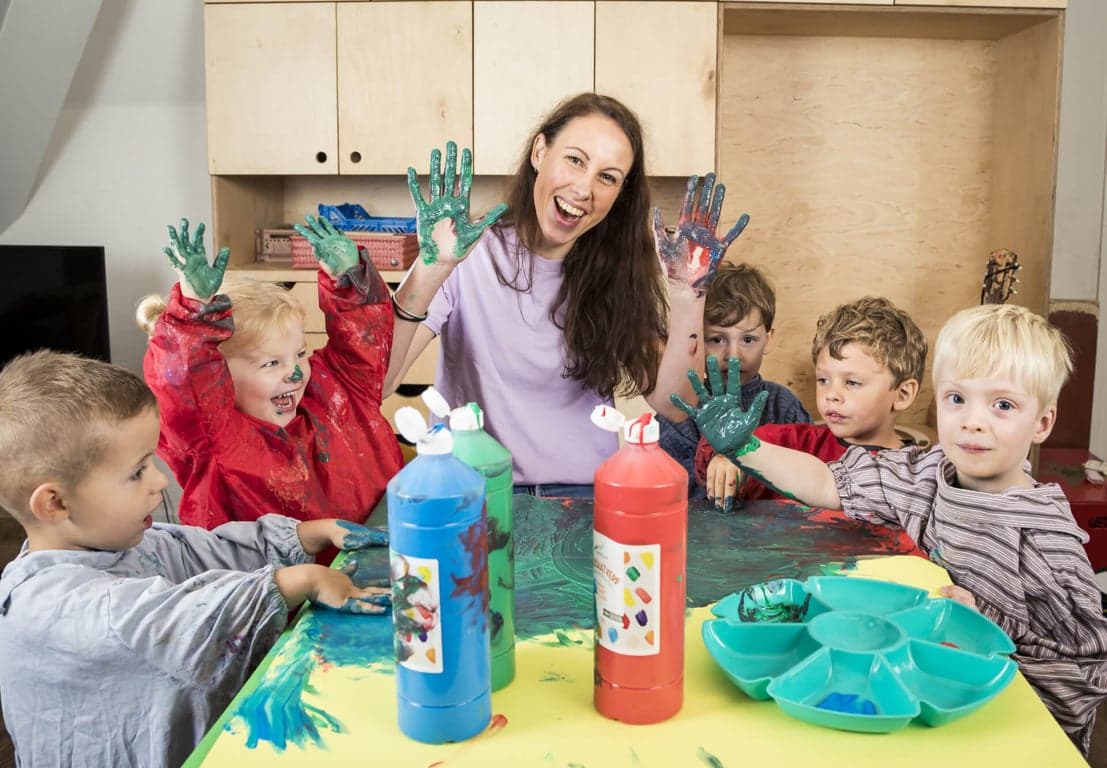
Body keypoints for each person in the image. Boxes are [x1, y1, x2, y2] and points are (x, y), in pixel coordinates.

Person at [676, 304, 1107, 755]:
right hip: (931, 683)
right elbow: (826, 480)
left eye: (1002, 405)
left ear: (1042, 423)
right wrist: (747, 447)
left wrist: (989, 623)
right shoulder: (923, 474)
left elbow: (1082, 661)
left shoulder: (1044, 535)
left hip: (1006, 715)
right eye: (957, 399)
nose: (973, 421)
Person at [0, 350, 391, 768]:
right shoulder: (50, 608)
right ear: (55, 503)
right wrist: (296, 582)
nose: (160, 481)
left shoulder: (120, 542)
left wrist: (308, 535)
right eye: (137, 472)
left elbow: (206, 551)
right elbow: (174, 619)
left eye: (151, 462)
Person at [384, 93, 748, 496]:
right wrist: (429, 269)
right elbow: (382, 382)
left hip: (582, 499)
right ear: (540, 152)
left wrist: (687, 295)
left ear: (620, 194)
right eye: (575, 160)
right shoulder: (467, 252)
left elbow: (674, 404)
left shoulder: (618, 273)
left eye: (607, 177)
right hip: (477, 493)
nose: (584, 189)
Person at [137, 216, 403, 534]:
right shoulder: (214, 438)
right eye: (270, 364)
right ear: (216, 379)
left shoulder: (336, 393)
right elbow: (184, 381)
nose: (294, 374)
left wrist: (350, 281)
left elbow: (362, 348)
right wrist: (194, 315)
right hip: (276, 582)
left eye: (300, 354)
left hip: (378, 564)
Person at [695, 296, 925, 511]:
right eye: (823, 380)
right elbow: (734, 448)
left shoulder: (922, 475)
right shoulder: (792, 443)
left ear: (903, 394)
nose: (831, 394)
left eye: (852, 382)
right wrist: (728, 459)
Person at [657, 262, 810, 499]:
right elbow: (671, 494)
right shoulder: (682, 412)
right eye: (717, 340)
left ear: (768, 340)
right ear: (698, 340)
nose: (733, 355)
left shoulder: (784, 406)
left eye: (748, 339)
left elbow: (809, 479)